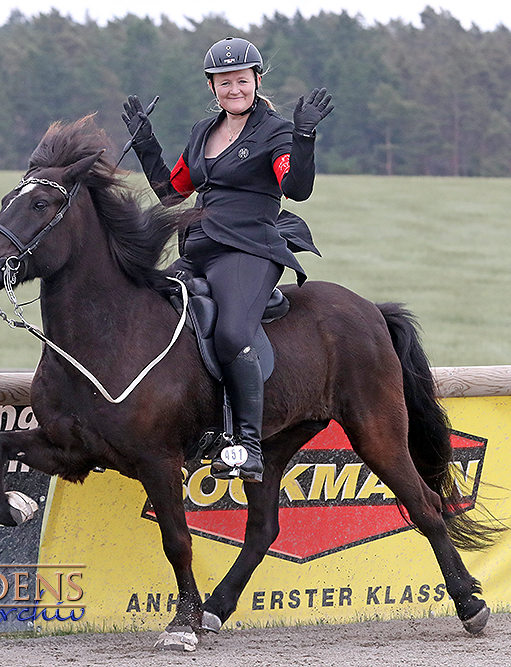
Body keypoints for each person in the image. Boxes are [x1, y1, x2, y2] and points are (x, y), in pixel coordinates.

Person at [121, 36, 333, 483]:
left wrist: (305, 135)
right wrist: (145, 143)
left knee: (233, 333)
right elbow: (171, 191)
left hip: (247, 250)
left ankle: (248, 446)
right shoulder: (204, 132)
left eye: (241, 80)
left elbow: (295, 187)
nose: (233, 89)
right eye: (223, 82)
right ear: (211, 86)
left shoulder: (275, 132)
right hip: (197, 248)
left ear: (256, 80)